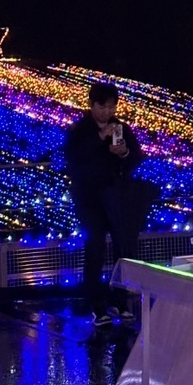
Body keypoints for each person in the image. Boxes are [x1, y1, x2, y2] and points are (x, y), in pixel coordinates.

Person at [63, 81, 144, 327]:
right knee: (95, 248)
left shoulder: (121, 128)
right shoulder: (80, 129)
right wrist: (100, 138)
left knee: (122, 247)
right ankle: (96, 305)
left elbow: (136, 157)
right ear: (92, 105)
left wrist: (124, 153)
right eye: (102, 106)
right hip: (89, 198)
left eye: (111, 107)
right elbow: (74, 157)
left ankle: (120, 300)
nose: (107, 112)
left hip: (115, 196)